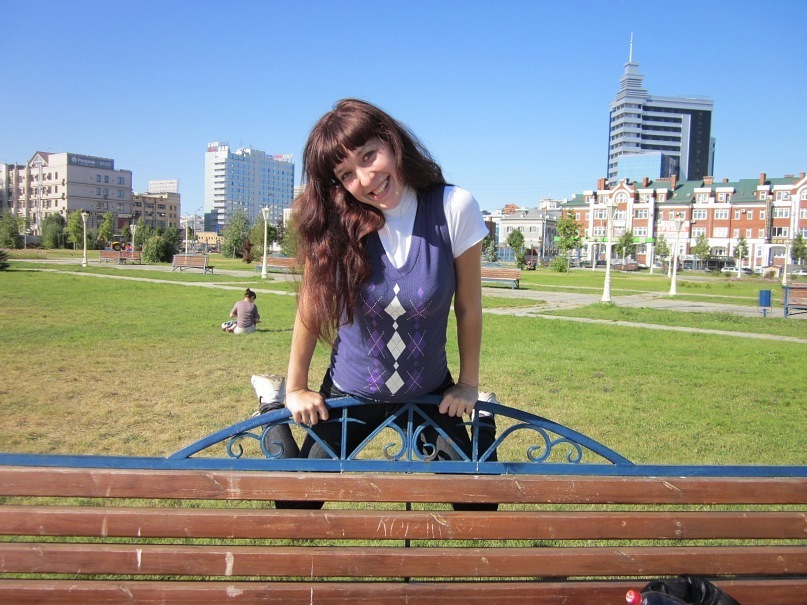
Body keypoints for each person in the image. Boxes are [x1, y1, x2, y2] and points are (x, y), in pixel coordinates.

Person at [282, 99, 496, 481]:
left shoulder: (454, 207)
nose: (365, 180)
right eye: (347, 174)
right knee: (296, 499)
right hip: (350, 391)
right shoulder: (335, 222)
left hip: (429, 392)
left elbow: (468, 307)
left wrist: (468, 384)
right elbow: (311, 307)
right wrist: (296, 388)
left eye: (368, 156)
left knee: (477, 502)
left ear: (391, 139)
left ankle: (485, 422)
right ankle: (270, 408)